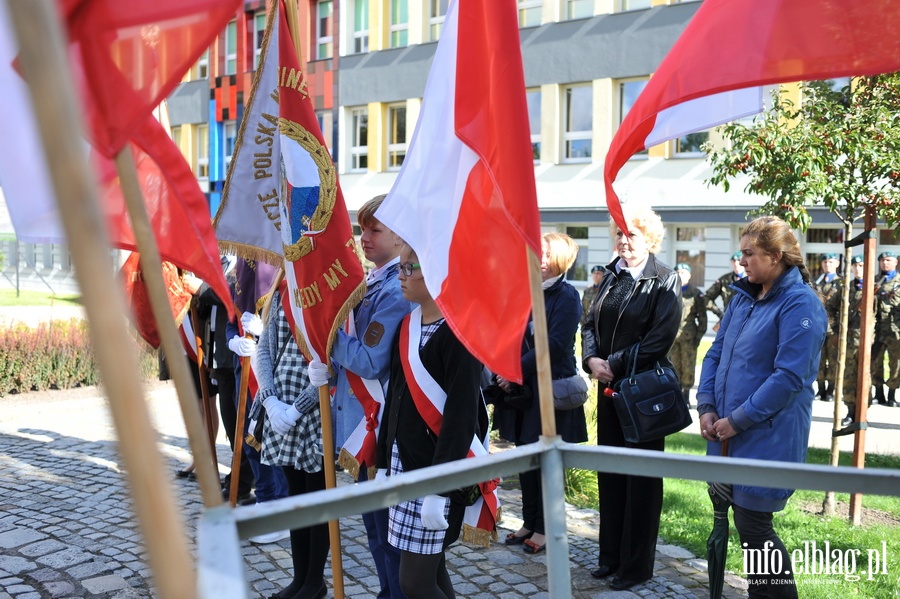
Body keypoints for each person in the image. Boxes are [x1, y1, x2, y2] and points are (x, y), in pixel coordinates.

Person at [697, 215, 827, 599]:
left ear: (775, 256)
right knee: (746, 527)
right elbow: (715, 355)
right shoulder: (743, 296)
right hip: (728, 432)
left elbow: (789, 377)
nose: (743, 261)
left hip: (767, 435)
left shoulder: (800, 304)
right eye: (741, 253)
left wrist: (737, 420)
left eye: (750, 254)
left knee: (755, 527)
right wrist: (706, 406)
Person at [308, 194, 413, 599]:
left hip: (381, 426)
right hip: (363, 424)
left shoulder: (396, 288)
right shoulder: (369, 280)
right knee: (376, 532)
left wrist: (327, 338)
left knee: (388, 536)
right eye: (362, 229)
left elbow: (370, 361)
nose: (364, 238)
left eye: (375, 230)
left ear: (400, 236)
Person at [375, 243, 485, 599]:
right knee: (432, 571)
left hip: (435, 468)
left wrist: (440, 489)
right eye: (401, 268)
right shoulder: (408, 323)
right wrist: (381, 462)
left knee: (414, 582)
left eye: (411, 268)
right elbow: (394, 397)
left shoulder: (459, 332)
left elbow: (460, 416)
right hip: (402, 461)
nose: (401, 276)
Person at [581, 204, 681, 591]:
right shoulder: (612, 275)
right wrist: (591, 359)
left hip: (642, 395)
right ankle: (610, 558)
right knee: (611, 474)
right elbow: (590, 322)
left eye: (632, 235)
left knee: (640, 482)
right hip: (608, 390)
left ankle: (636, 567)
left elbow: (659, 338)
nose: (624, 241)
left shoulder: (664, 279)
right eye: (619, 234)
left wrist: (614, 364)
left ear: (650, 239)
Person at [494, 232, 587, 555]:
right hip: (522, 391)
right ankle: (529, 521)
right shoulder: (527, 290)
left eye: (547, 253)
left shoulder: (567, 296)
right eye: (538, 252)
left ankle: (547, 529)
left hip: (548, 390)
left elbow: (556, 344)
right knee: (526, 459)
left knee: (546, 462)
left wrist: (514, 370)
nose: (541, 258)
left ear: (560, 258)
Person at [252, 279, 329, 599]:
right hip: (279, 409)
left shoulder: (326, 287)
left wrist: (298, 409)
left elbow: (329, 358)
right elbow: (265, 350)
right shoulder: (281, 291)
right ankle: (299, 579)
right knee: (296, 498)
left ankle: (314, 581)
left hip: (312, 413)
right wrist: (269, 401)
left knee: (316, 498)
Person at [227, 258, 289, 543]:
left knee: (272, 441)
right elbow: (231, 319)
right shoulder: (241, 278)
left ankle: (280, 507)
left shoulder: (284, 277)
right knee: (248, 440)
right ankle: (265, 499)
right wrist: (232, 341)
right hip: (245, 368)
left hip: (271, 371)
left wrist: (265, 333)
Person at [828, 255, 865, 428]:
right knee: (848, 378)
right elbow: (830, 308)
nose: (858, 268)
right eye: (855, 265)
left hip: (868, 343)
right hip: (847, 343)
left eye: (861, 265)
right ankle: (850, 413)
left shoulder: (874, 289)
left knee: (866, 380)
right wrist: (836, 328)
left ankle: (863, 413)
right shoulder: (845, 289)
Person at [670, 263, 707, 404]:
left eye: (683, 272)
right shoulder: (669, 291)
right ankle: (676, 394)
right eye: (678, 272)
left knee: (688, 366)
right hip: (672, 337)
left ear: (689, 275)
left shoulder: (695, 293)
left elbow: (702, 318)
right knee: (674, 366)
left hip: (688, 337)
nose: (680, 275)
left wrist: (698, 337)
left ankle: (686, 394)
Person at [872, 250, 900, 407]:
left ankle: (892, 395)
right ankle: (879, 394)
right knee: (876, 362)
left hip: (895, 330)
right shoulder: (875, 281)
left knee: (896, 364)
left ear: (896, 262)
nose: (885, 263)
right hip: (877, 329)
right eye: (882, 260)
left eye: (888, 260)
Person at [814, 253, 842, 402]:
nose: (827, 264)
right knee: (818, 359)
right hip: (818, 327)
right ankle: (820, 390)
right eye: (824, 261)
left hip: (834, 328)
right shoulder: (817, 282)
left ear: (837, 264)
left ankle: (831, 391)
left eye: (830, 262)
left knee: (832, 360)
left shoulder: (841, 283)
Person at [705, 251, 745, 331]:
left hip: (746, 322)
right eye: (734, 261)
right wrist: (719, 314)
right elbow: (707, 297)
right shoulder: (724, 280)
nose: (736, 264)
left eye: (738, 260)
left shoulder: (752, 279)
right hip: (728, 321)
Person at [581, 265, 604, 330]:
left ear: (603, 275)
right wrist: (583, 323)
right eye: (594, 273)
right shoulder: (587, 291)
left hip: (600, 326)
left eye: (598, 273)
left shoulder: (605, 290)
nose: (596, 275)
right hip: (587, 325)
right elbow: (582, 308)